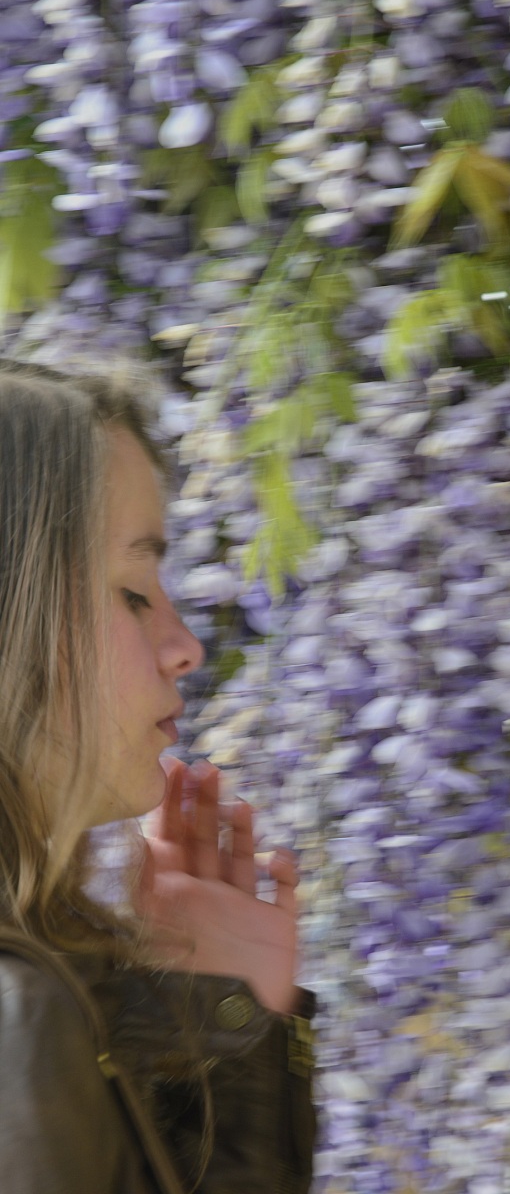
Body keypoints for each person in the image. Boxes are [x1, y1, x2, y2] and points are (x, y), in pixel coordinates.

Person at [0, 362, 315, 1193]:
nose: (186, 646)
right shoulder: (18, 1019)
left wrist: (220, 1035)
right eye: (136, 593)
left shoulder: (54, 978)